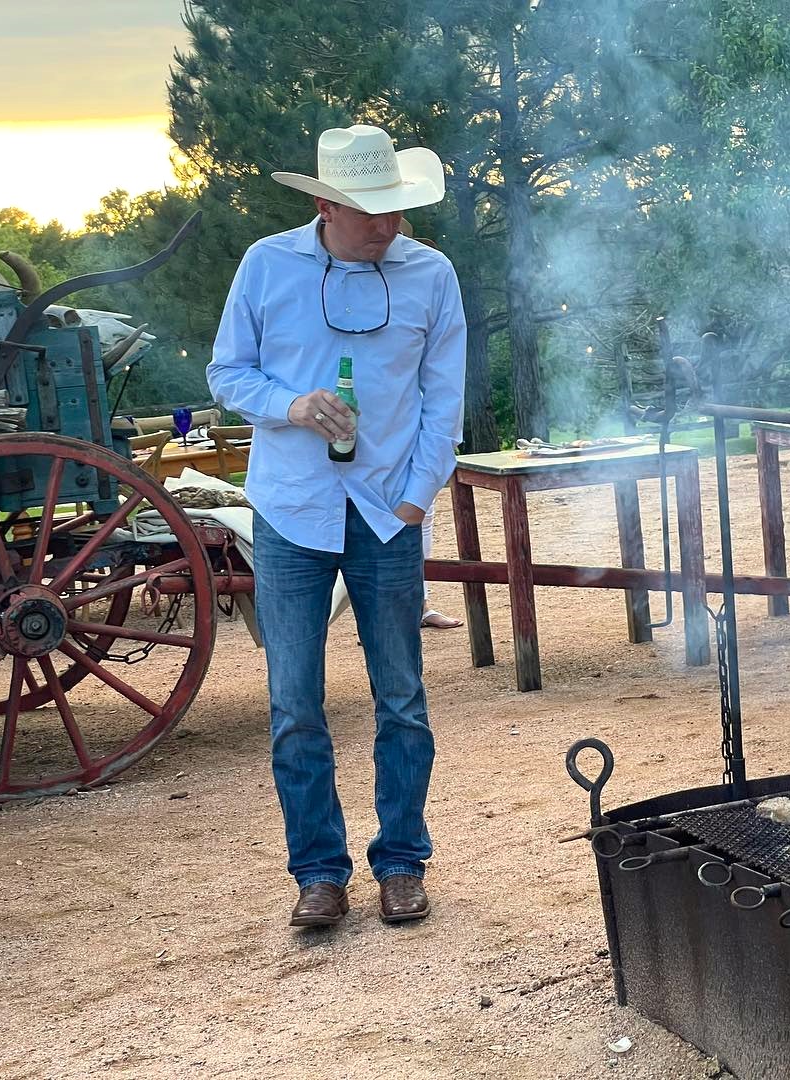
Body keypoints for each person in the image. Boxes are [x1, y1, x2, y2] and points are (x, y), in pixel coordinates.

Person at [208, 124, 466, 927]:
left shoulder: (430, 274)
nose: (389, 226)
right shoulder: (267, 264)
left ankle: (401, 863)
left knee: (402, 699)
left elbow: (442, 399)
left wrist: (418, 499)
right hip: (290, 509)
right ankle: (318, 873)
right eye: (369, 214)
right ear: (324, 204)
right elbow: (225, 372)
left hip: (389, 511)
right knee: (295, 704)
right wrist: (290, 406)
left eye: (394, 209)